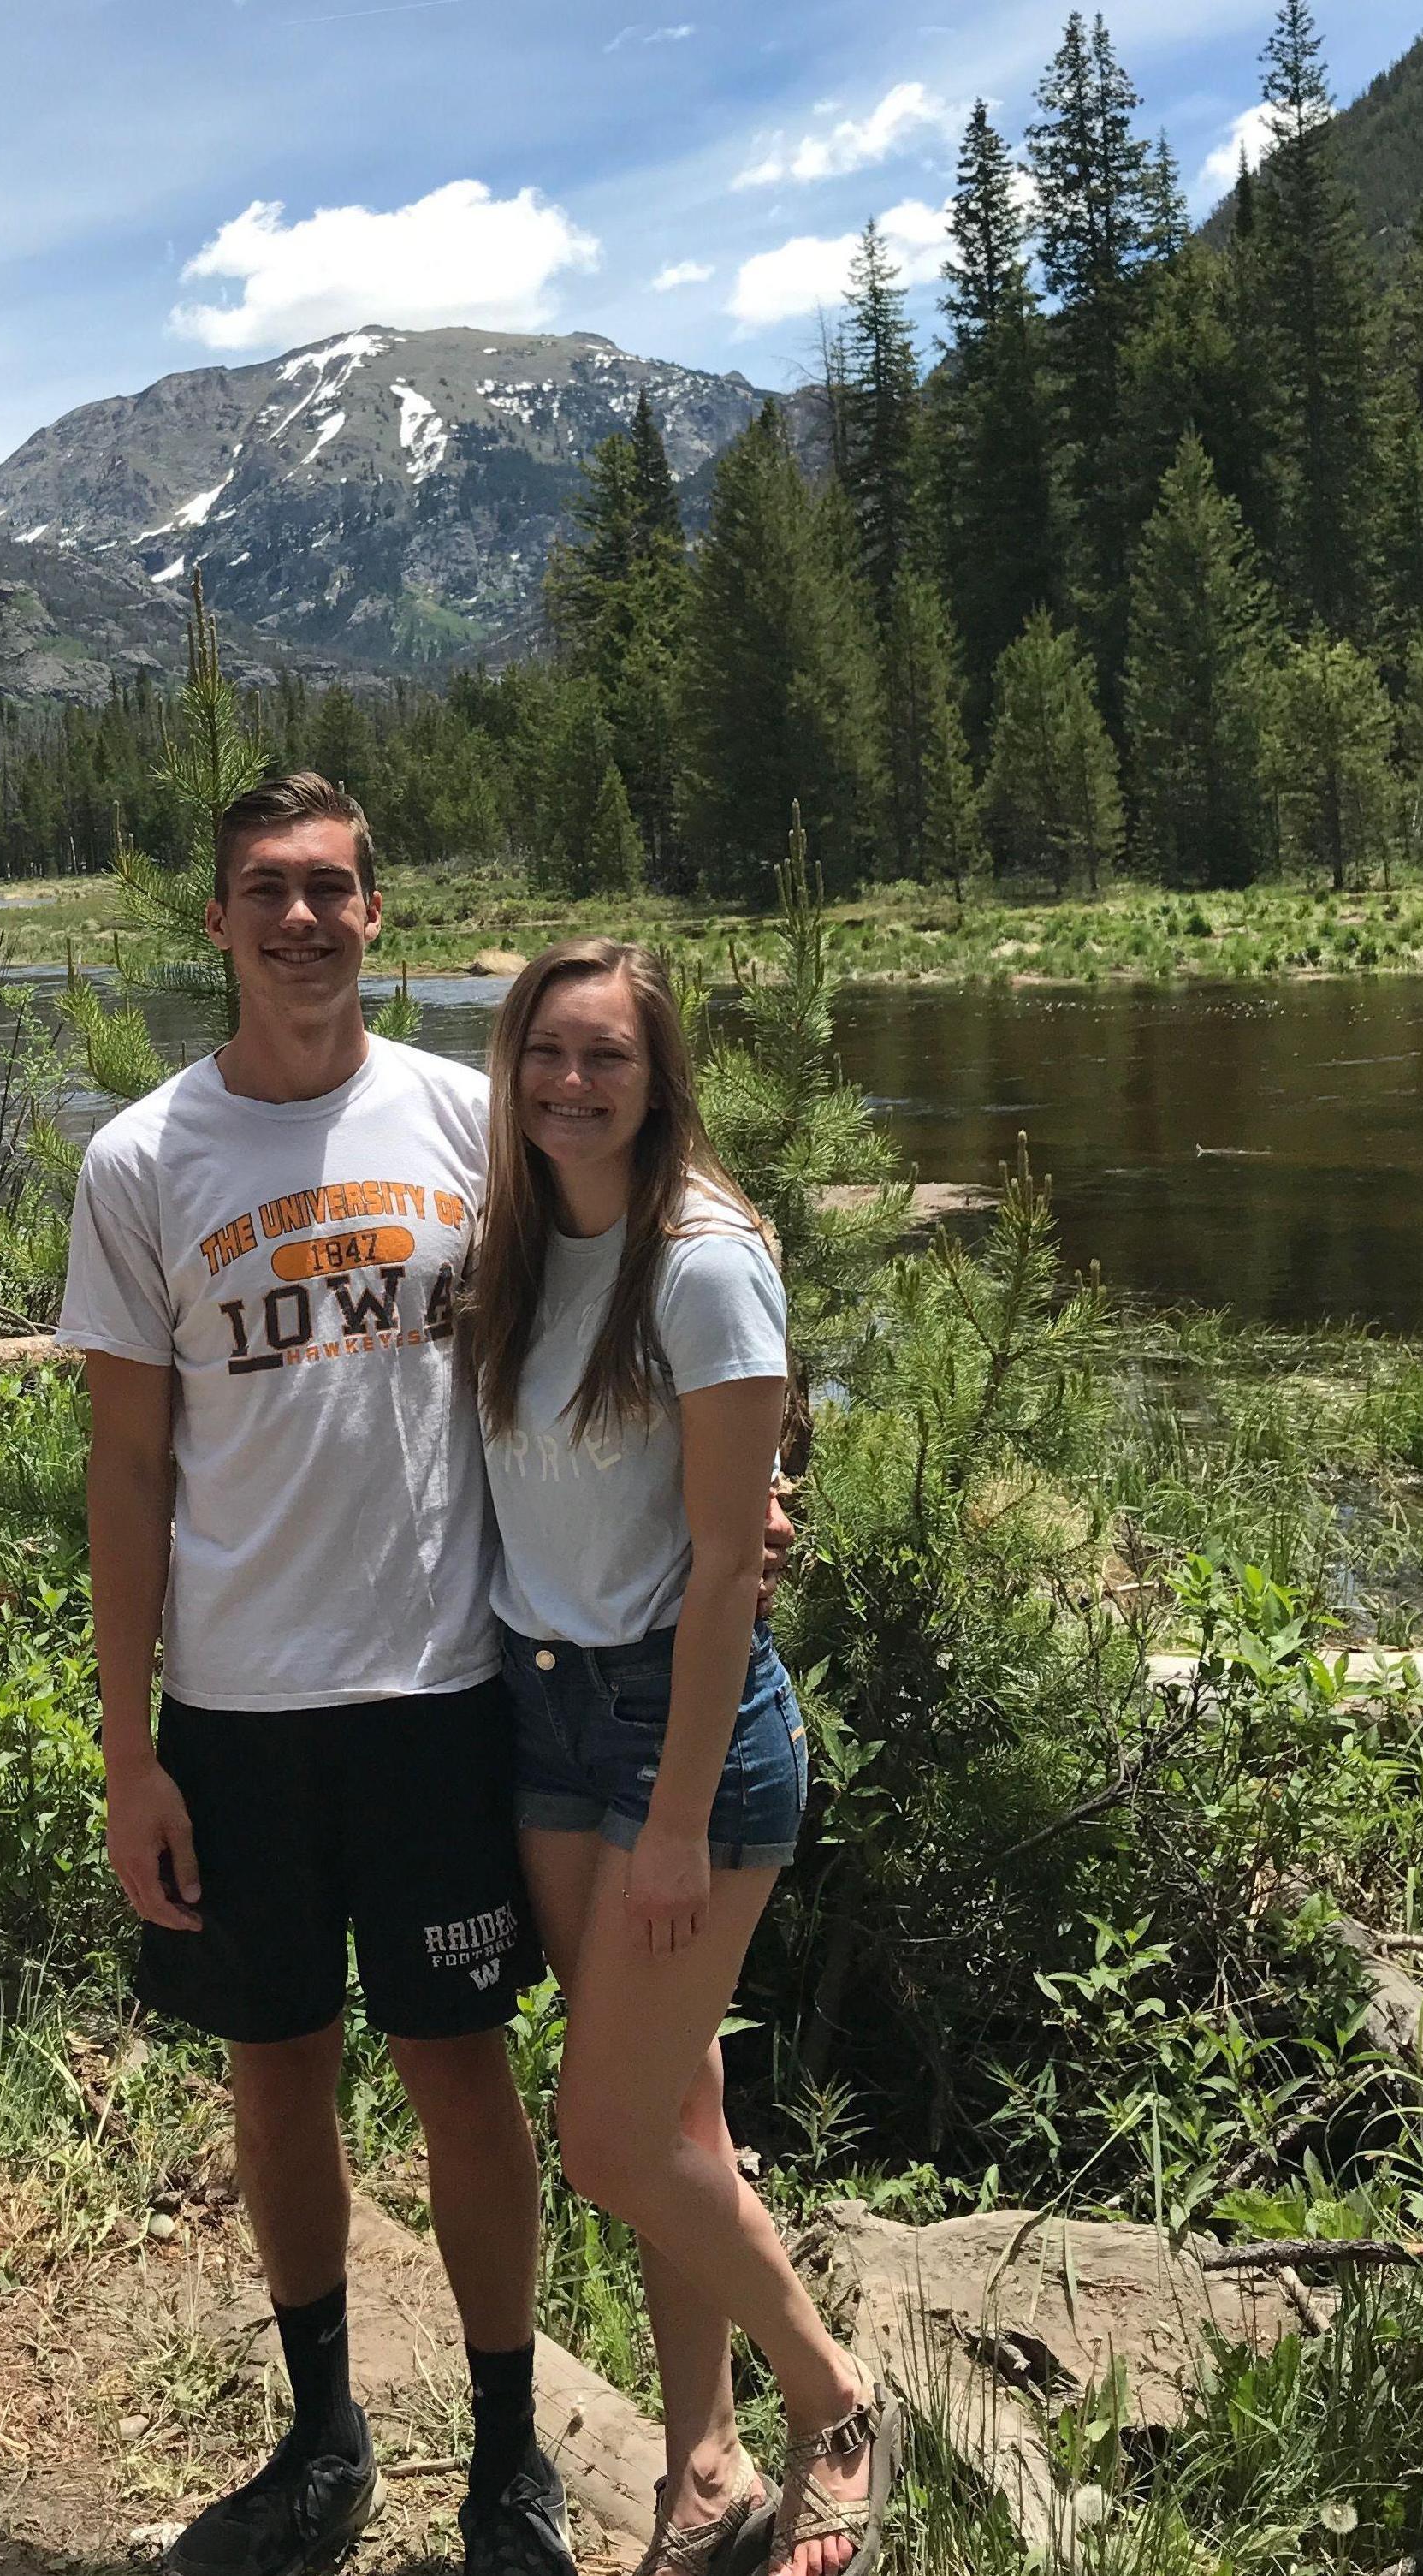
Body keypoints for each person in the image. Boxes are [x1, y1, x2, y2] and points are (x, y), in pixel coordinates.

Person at [57, 772, 577, 2576]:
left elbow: (616, 1298)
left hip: (438, 1696)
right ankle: (321, 2438)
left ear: (378, 917)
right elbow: (126, 1470)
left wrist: (751, 1461)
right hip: (238, 1720)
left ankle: (510, 2460)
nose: (296, 920)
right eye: (262, 890)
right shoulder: (141, 1162)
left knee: (462, 2072)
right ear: (214, 921)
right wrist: (130, 1754)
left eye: (328, 890)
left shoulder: (464, 1117)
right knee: (274, 2071)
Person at [465, 941, 898, 2576]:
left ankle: (833, 2400)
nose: (570, 1086)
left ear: (659, 1085)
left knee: (606, 2136)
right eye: (545, 1057)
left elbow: (727, 1567)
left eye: (608, 1062)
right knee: (675, 2113)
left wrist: (667, 1817)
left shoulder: (701, 1262)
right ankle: (699, 2467)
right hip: (543, 1709)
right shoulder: (519, 1239)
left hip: (678, 1736)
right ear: (510, 1072)